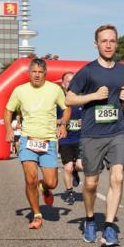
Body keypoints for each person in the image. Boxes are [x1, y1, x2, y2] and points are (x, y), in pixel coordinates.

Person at [66, 24, 124, 247]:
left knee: (117, 178)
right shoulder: (87, 71)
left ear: (116, 43)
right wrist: (93, 96)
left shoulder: (123, 71)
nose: (108, 44)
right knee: (91, 183)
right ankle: (89, 220)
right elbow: (69, 99)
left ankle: (110, 227)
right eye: (103, 41)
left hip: (116, 131)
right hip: (92, 134)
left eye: (112, 40)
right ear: (96, 44)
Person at [5, 57, 66, 229]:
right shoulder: (19, 90)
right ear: (29, 73)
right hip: (28, 140)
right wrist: (9, 129)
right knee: (30, 179)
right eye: (34, 72)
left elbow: (66, 107)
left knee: (52, 183)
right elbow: (8, 109)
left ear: (45, 73)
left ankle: (44, 186)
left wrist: (63, 124)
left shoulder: (55, 89)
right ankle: (37, 214)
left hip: (49, 141)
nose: (37, 75)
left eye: (40, 72)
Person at [57, 72, 84, 205]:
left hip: (81, 139)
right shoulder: (58, 101)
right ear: (63, 84)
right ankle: (69, 191)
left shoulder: (82, 99)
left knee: (80, 166)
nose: (71, 83)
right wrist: (62, 122)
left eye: (73, 81)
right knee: (67, 167)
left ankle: (75, 172)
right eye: (68, 81)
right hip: (66, 139)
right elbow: (52, 119)